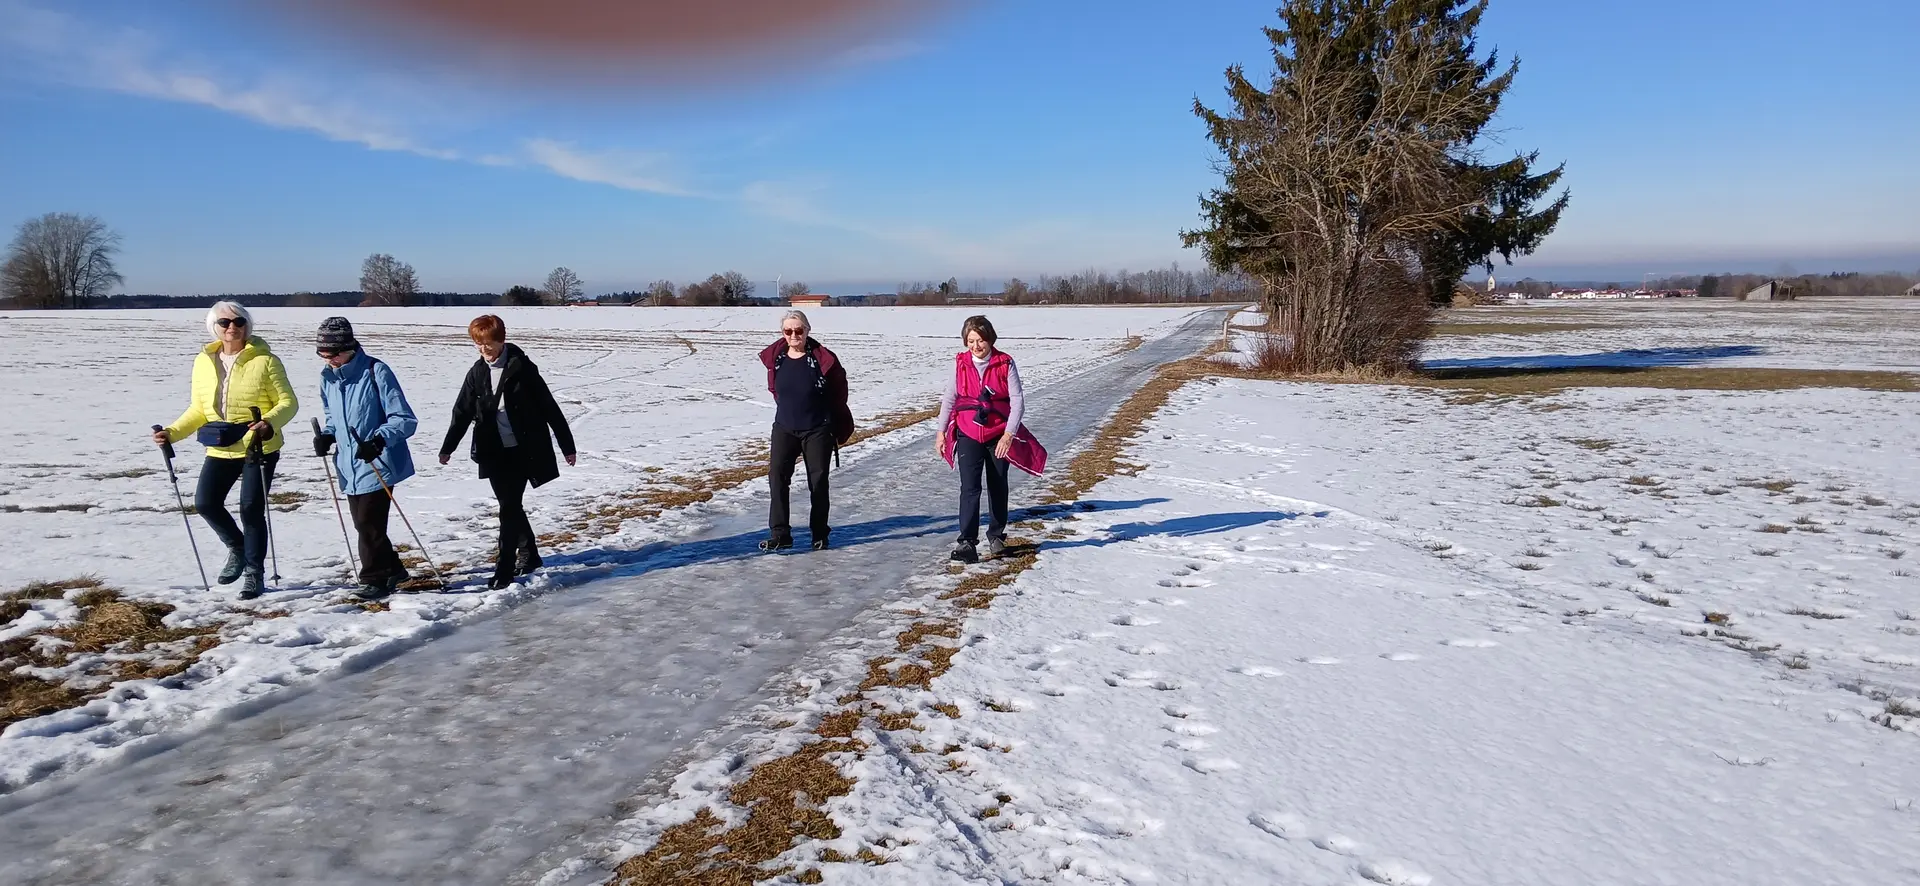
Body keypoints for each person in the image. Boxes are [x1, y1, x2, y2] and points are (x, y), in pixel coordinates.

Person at [151, 301, 298, 599]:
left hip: (259, 446)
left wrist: (268, 423)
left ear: (248, 325)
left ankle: (254, 574)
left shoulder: (266, 361)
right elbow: (199, 410)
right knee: (205, 503)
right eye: (225, 322)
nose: (232, 327)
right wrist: (172, 433)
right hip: (220, 446)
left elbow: (288, 403)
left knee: (251, 509)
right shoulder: (203, 361)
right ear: (214, 327)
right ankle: (238, 548)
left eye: (239, 321)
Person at [439, 314, 577, 589]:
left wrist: (567, 446)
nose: (483, 350)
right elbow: (462, 411)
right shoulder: (477, 373)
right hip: (494, 451)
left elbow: (550, 407)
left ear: (501, 340)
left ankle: (504, 568)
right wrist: (448, 447)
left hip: (524, 450)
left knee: (509, 508)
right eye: (478, 345)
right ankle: (530, 555)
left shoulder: (523, 369)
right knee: (509, 505)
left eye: (488, 344)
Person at [310, 317, 420, 600]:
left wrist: (379, 440)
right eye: (322, 354)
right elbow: (334, 417)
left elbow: (404, 419)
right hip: (348, 465)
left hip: (378, 462)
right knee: (363, 524)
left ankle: (372, 578)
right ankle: (395, 570)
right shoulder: (328, 378)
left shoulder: (376, 371)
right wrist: (328, 436)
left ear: (349, 347)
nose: (328, 360)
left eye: (333, 353)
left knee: (369, 524)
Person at [934, 315, 1037, 564]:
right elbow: (950, 398)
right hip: (968, 432)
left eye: (980, 340)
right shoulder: (960, 364)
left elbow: (1017, 401)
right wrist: (941, 432)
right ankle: (967, 542)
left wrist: (1008, 435)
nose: (976, 346)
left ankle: (996, 537)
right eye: (971, 341)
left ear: (990, 339)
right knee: (969, 488)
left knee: (997, 484)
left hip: (998, 434)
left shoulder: (1005, 363)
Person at [758, 310, 853, 552]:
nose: (793, 335)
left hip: (817, 428)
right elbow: (775, 390)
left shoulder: (822, 359)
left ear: (807, 331)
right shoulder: (777, 357)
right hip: (784, 427)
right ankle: (780, 534)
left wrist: (830, 421)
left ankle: (819, 534)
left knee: (818, 482)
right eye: (788, 331)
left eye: (798, 330)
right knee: (777, 478)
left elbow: (839, 393)